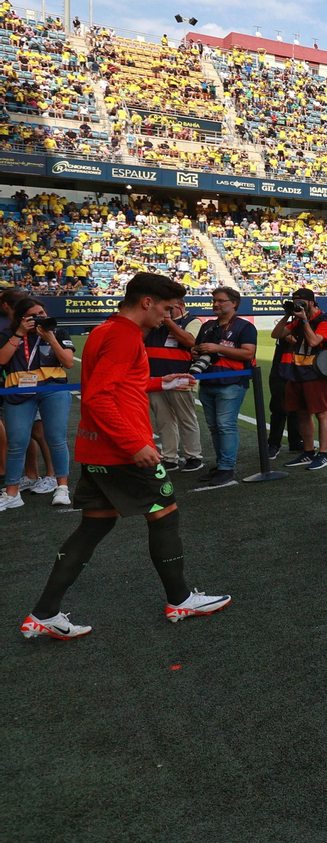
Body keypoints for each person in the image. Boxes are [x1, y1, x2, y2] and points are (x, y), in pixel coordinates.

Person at [19, 273, 230, 641]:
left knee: (94, 526)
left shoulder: (106, 330)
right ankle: (180, 600)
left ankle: (44, 614)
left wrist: (163, 381)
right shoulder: (124, 336)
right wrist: (134, 444)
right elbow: (98, 397)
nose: (167, 316)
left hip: (98, 448)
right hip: (120, 451)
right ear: (146, 302)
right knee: (165, 514)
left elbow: (116, 384)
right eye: (166, 309)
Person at [0, 299, 74, 509]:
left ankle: (62, 488)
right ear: (22, 318)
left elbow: (68, 362)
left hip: (53, 389)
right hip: (18, 391)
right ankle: (12, 494)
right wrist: (19, 334)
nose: (40, 317)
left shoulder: (58, 332)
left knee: (56, 439)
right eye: (34, 315)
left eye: (42, 312)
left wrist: (51, 339)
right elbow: (2, 360)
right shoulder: (8, 334)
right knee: (16, 442)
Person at [192, 286, 257, 489]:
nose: (216, 304)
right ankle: (221, 464)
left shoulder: (244, 327)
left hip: (232, 383)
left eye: (221, 301)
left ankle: (227, 467)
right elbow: (196, 349)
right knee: (214, 427)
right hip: (208, 381)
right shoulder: (207, 326)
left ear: (234, 303)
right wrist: (196, 352)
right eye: (214, 301)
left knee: (225, 425)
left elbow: (248, 354)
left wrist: (217, 348)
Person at [273, 289, 327, 470]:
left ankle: (323, 454)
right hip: (298, 371)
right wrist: (287, 315)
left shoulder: (324, 321)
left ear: (311, 302)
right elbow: (276, 334)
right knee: (302, 413)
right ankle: (308, 451)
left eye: (301, 301)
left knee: (321, 413)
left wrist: (305, 321)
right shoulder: (298, 320)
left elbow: (314, 341)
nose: (297, 304)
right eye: (295, 301)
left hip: (316, 372)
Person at [144, 299, 204, 472]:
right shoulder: (154, 321)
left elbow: (190, 341)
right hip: (155, 378)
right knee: (163, 420)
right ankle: (170, 457)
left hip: (181, 377)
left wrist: (168, 321)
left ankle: (193, 456)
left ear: (180, 305)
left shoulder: (192, 321)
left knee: (186, 418)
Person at [265, 325, 303, 462]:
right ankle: (273, 444)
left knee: (296, 410)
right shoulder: (288, 328)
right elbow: (286, 337)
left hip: (298, 372)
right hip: (281, 373)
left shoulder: (305, 327)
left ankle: (296, 441)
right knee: (279, 410)